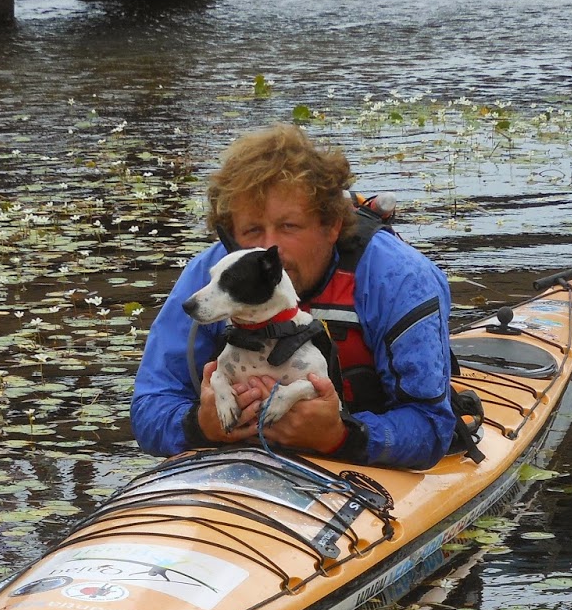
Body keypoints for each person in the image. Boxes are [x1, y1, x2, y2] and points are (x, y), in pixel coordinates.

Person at [131, 124, 456, 471]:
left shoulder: (400, 278)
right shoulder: (209, 278)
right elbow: (150, 407)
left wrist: (341, 436)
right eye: (252, 230)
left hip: (357, 460)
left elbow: (432, 426)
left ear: (331, 226)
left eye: (289, 226)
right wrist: (199, 425)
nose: (271, 249)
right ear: (232, 235)